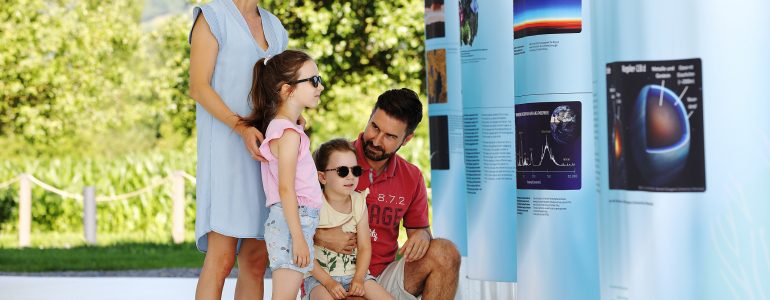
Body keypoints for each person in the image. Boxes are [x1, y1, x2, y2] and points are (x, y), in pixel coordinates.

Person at [314, 89, 461, 299]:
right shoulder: (334, 162)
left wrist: (421, 235)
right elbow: (288, 223)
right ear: (370, 117)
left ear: (407, 139)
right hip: (334, 277)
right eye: (374, 127)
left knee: (446, 252)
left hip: (382, 278)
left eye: (390, 136)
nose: (376, 140)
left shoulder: (411, 176)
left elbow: (421, 231)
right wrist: (322, 236)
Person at [188, 0, 290, 298]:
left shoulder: (275, 27)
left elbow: (277, 89)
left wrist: (290, 114)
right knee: (221, 258)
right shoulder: (212, 16)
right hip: (226, 151)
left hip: (264, 152)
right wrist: (241, 127)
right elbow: (198, 86)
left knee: (256, 261)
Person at [240, 49, 325, 300]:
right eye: (313, 81)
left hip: (296, 221)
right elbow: (286, 188)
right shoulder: (287, 135)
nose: (320, 86)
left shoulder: (287, 129)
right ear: (287, 90)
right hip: (293, 222)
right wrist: (298, 238)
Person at [305, 139, 394, 300]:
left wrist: (359, 279)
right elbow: (305, 249)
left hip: (355, 274)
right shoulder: (314, 205)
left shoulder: (359, 202)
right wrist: (328, 282)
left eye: (356, 171)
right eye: (342, 171)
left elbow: (365, 246)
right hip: (319, 278)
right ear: (322, 177)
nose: (351, 177)